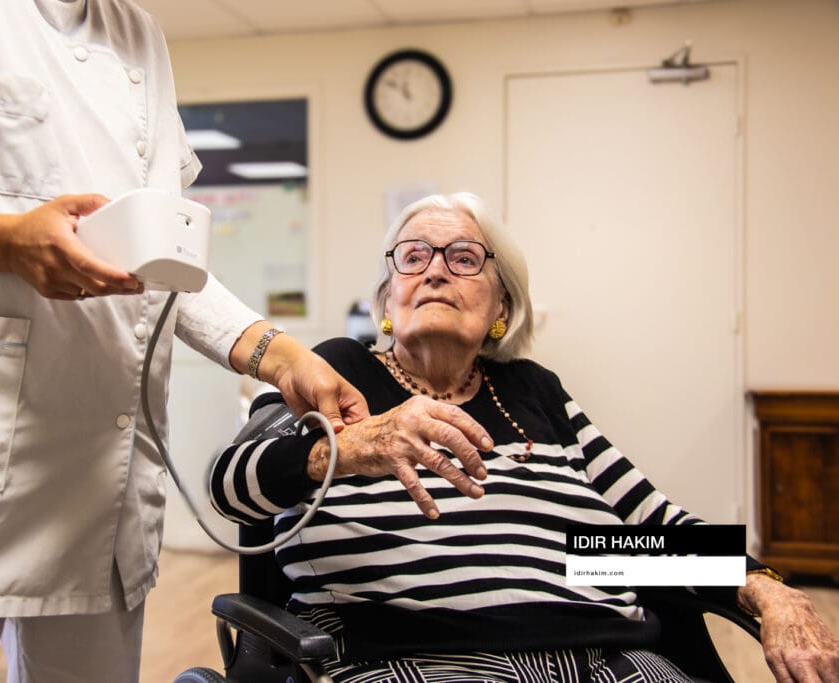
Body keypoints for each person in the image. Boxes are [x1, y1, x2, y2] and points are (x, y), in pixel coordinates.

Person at [0, 1, 367, 681]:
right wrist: (3, 243)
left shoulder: (135, 34)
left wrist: (279, 355)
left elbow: (157, 260)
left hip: (94, 493)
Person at [210, 192, 839, 683]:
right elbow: (230, 486)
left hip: (605, 657)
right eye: (413, 256)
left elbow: (642, 531)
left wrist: (765, 586)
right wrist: (348, 450)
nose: (435, 271)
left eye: (463, 258)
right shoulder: (338, 369)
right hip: (409, 657)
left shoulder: (534, 392)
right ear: (387, 299)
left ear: (502, 308)